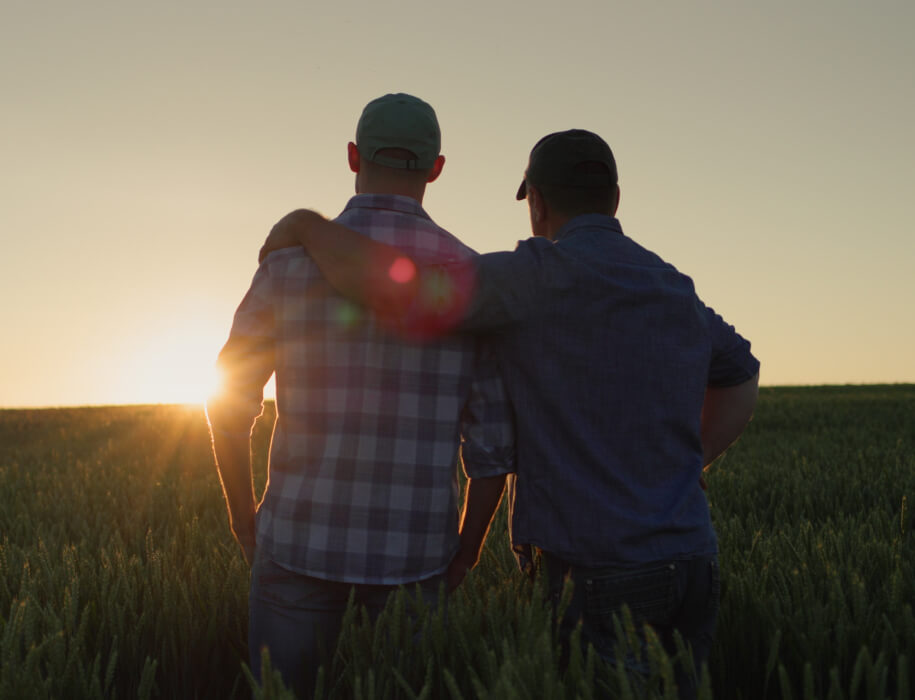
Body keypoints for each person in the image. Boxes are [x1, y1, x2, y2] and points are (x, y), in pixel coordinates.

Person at [259, 129, 760, 697]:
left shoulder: (534, 277)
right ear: (615, 200)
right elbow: (742, 378)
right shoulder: (672, 286)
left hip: (599, 570)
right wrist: (690, 462)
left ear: (538, 203)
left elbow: (399, 291)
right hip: (694, 560)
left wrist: (306, 224)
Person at [206, 93, 515, 698]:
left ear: (352, 156)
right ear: (436, 168)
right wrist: (468, 550)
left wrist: (244, 521)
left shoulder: (288, 265)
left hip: (296, 538)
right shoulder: (471, 280)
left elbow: (228, 402)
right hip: (419, 551)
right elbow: (493, 447)